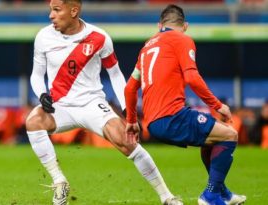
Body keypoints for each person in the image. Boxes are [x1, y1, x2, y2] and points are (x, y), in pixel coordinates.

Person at [26, 0, 182, 205]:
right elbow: (36, 76)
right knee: (33, 120)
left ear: (74, 11)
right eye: (50, 10)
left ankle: (167, 197)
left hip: (92, 104)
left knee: (128, 142)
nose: (51, 15)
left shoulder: (99, 38)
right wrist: (42, 94)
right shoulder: (43, 37)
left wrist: (127, 109)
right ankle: (59, 181)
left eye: (56, 10)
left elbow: (116, 75)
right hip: (60, 105)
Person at [124, 5, 246, 205]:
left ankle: (223, 193)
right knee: (230, 135)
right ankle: (211, 195)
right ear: (185, 26)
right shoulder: (183, 39)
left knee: (213, 138)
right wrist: (217, 105)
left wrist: (130, 121)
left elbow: (130, 88)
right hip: (172, 116)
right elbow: (192, 77)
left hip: (153, 123)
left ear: (159, 25)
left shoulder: (146, 48)